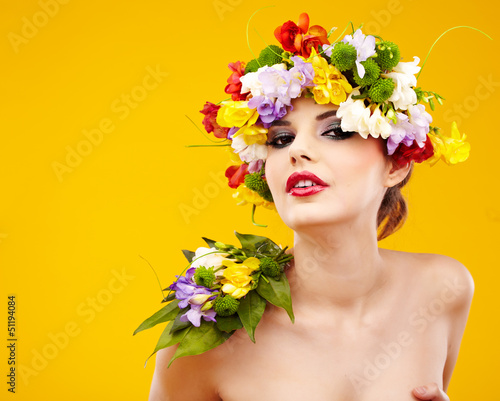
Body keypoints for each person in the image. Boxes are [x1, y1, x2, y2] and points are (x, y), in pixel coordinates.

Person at [147, 12, 473, 401]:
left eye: (335, 131)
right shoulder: (209, 330)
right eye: (281, 139)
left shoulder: (442, 289)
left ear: (397, 163)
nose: (298, 150)